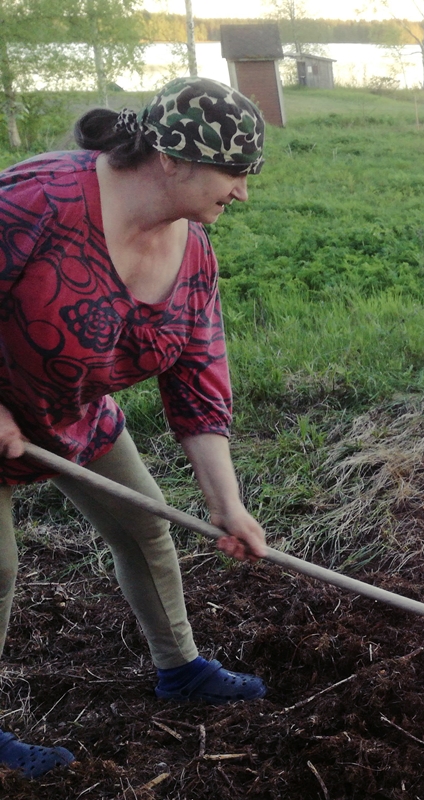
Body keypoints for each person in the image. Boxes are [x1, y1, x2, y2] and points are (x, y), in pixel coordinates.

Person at [0, 77, 272, 780]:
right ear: (175, 159)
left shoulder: (193, 257)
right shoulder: (38, 201)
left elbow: (197, 382)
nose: (243, 192)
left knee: (145, 528)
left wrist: (226, 505)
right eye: (234, 172)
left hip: (72, 415)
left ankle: (179, 668)